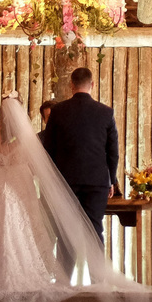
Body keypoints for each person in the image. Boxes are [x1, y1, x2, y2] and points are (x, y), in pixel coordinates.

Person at [0, 93, 152, 302]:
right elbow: (37, 166)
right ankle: (24, 273)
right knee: (23, 229)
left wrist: (0, 162)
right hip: (19, 181)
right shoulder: (24, 135)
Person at [41, 67, 120, 247]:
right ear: (92, 84)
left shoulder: (58, 111)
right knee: (94, 230)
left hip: (66, 181)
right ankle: (97, 267)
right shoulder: (106, 112)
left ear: (71, 85)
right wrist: (111, 180)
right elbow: (113, 151)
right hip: (96, 181)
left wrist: (53, 179)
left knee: (65, 231)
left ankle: (65, 267)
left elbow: (49, 148)